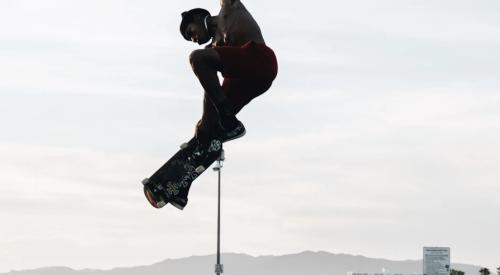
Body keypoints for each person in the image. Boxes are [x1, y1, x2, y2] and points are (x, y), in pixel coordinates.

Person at [179, 0, 278, 155]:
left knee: (197, 58)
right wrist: (204, 122)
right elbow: (211, 88)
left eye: (191, 32)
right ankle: (205, 141)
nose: (194, 40)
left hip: (260, 60)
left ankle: (225, 116)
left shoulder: (228, 7)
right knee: (209, 122)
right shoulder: (212, 48)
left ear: (198, 18)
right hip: (245, 79)